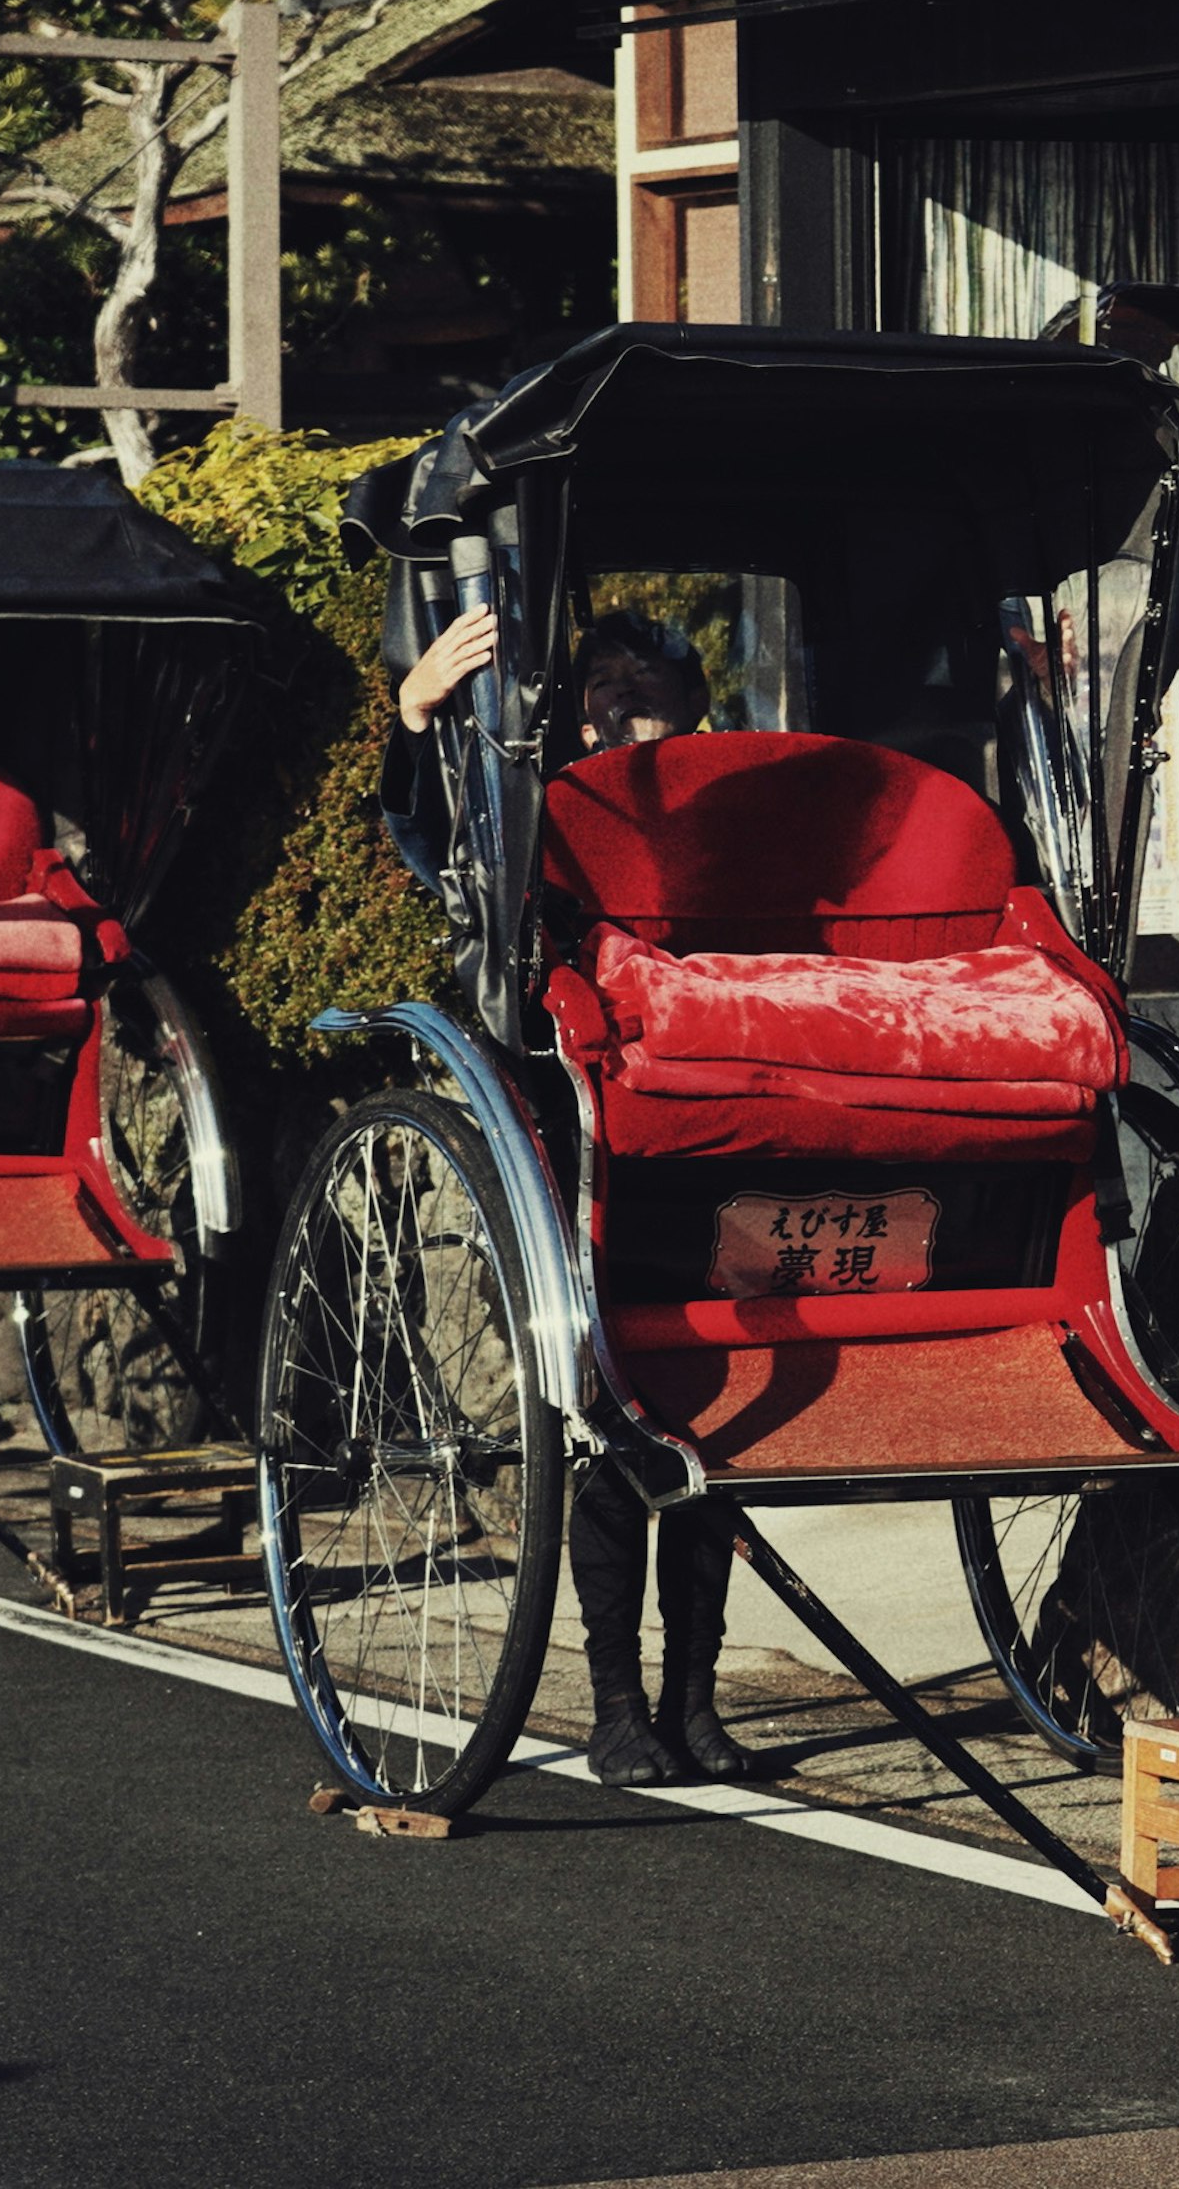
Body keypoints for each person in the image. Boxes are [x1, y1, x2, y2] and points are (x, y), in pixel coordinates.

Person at [385, 599, 764, 1792]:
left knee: (719, 1417)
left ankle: (694, 1697)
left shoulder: (721, 807)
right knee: (609, 1418)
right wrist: (417, 712)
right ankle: (615, 1702)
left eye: (646, 692)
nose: (621, 712)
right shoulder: (528, 811)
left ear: (694, 711)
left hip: (710, 1111)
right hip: (572, 1117)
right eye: (601, 688)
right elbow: (428, 840)